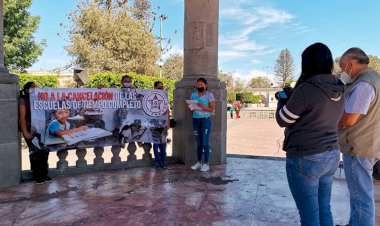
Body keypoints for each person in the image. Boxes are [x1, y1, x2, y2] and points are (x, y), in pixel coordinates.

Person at [275, 42, 345, 226]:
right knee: (324, 208)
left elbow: (284, 119)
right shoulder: (339, 88)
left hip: (306, 156)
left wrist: (282, 101)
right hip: (331, 154)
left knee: (309, 215)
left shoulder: (306, 89)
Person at [338, 47, 380, 226]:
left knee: (361, 196)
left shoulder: (364, 85)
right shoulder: (375, 79)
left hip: (359, 147)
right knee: (359, 193)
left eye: (343, 67)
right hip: (369, 144)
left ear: (351, 64)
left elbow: (349, 118)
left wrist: (326, 117)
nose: (342, 72)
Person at [19, 82, 51, 184]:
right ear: (28, 90)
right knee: (35, 152)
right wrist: (25, 132)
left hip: (43, 129)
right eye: (33, 86)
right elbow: (22, 117)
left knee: (45, 152)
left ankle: (44, 174)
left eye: (37, 86)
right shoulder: (24, 100)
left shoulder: (42, 99)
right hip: (30, 130)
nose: (36, 87)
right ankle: (37, 176)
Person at [189, 78, 215, 172]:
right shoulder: (193, 94)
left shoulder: (209, 95)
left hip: (205, 120)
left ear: (205, 86)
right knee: (199, 143)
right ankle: (199, 162)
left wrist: (202, 106)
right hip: (195, 119)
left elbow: (212, 109)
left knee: (205, 142)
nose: (199, 86)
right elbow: (191, 107)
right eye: (198, 85)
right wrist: (191, 106)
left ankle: (206, 163)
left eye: (201, 85)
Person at [152, 81, 170, 169]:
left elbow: (167, 112)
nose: (161, 89)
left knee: (163, 145)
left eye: (162, 87)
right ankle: (157, 163)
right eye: (159, 87)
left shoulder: (164, 98)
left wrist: (168, 123)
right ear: (155, 87)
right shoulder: (150, 97)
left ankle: (163, 162)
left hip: (163, 125)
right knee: (155, 145)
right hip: (154, 125)